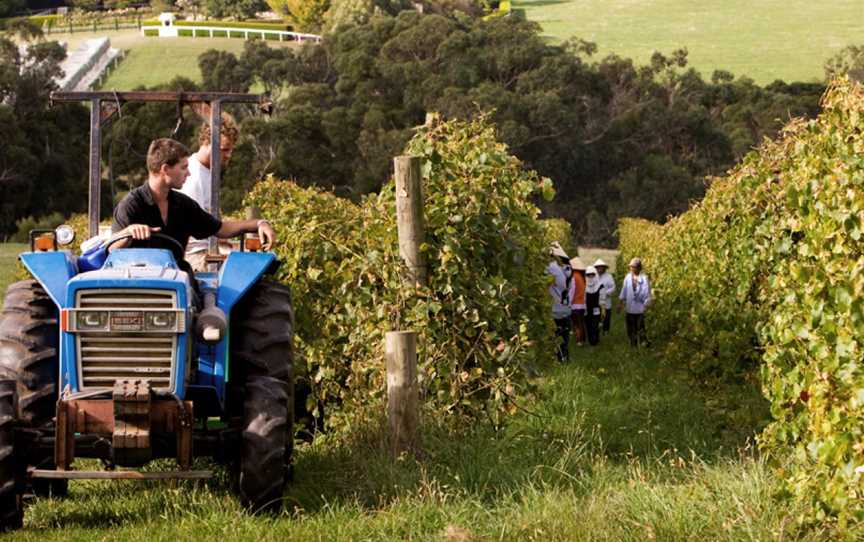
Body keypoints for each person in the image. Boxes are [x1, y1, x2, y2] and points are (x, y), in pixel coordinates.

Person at [111, 138, 275, 278]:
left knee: (212, 311)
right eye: (183, 167)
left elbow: (221, 228)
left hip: (177, 279)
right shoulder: (131, 205)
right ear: (165, 169)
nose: (188, 174)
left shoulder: (183, 205)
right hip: (137, 282)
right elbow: (112, 249)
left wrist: (259, 223)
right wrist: (128, 232)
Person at [179, 112, 240, 272]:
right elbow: (192, 226)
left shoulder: (209, 173)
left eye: (231, 150)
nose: (229, 156)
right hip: (196, 257)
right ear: (206, 143)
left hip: (207, 249)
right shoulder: (193, 177)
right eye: (224, 150)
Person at [547, 242, 574, 362]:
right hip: (565, 308)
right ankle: (564, 360)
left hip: (554, 309)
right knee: (564, 338)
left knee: (555, 338)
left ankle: (558, 362)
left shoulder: (550, 268)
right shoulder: (567, 269)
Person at [619, 257, 651, 347]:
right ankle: (633, 344)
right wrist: (620, 303)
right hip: (629, 308)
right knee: (630, 327)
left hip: (640, 308)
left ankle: (643, 343)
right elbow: (624, 290)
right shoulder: (627, 277)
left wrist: (645, 305)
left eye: (634, 267)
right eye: (631, 267)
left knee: (640, 327)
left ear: (639, 268)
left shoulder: (644, 278)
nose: (632, 269)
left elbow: (647, 292)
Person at [594, 258, 616, 334]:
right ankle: (597, 330)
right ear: (596, 268)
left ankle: (606, 330)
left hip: (606, 300)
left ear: (604, 268)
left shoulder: (609, 276)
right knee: (596, 316)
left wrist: (606, 293)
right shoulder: (593, 276)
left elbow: (613, 287)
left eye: (601, 267)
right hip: (596, 300)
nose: (599, 268)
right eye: (598, 267)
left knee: (606, 316)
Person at [569, 257, 587, 346]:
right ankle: (582, 339)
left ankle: (579, 340)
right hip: (581, 304)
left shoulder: (574, 276)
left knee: (576, 324)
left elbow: (572, 290)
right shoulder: (582, 277)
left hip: (575, 304)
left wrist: (569, 302)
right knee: (581, 323)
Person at [584, 265, 602, 346]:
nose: (591, 276)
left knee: (595, 325)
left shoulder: (600, 286)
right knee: (588, 324)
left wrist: (603, 308)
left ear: (595, 275)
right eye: (588, 275)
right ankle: (591, 341)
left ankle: (596, 339)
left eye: (592, 274)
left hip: (596, 308)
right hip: (587, 309)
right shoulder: (584, 286)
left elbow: (602, 298)